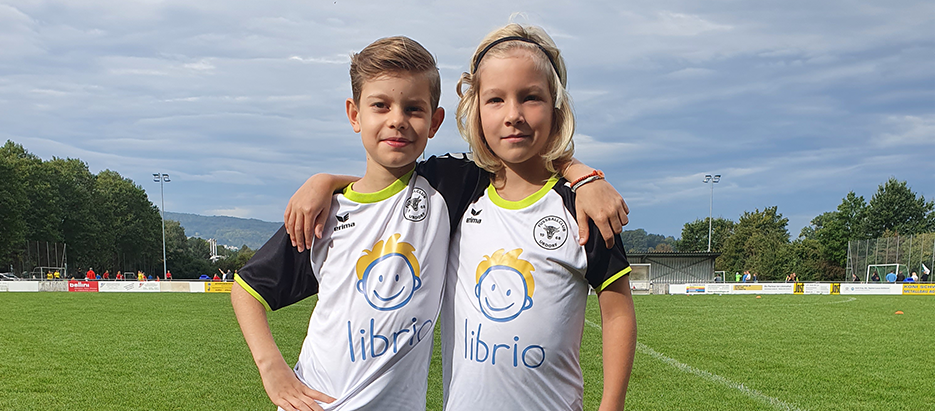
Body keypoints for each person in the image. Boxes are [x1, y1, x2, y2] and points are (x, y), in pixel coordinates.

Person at [254, 33, 630, 410]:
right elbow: (383, 187)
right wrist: (323, 182)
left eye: (530, 97)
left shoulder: (564, 207)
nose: (513, 114)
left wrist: (583, 175)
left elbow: (617, 312)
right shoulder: (451, 190)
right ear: (477, 112)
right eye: (496, 99)